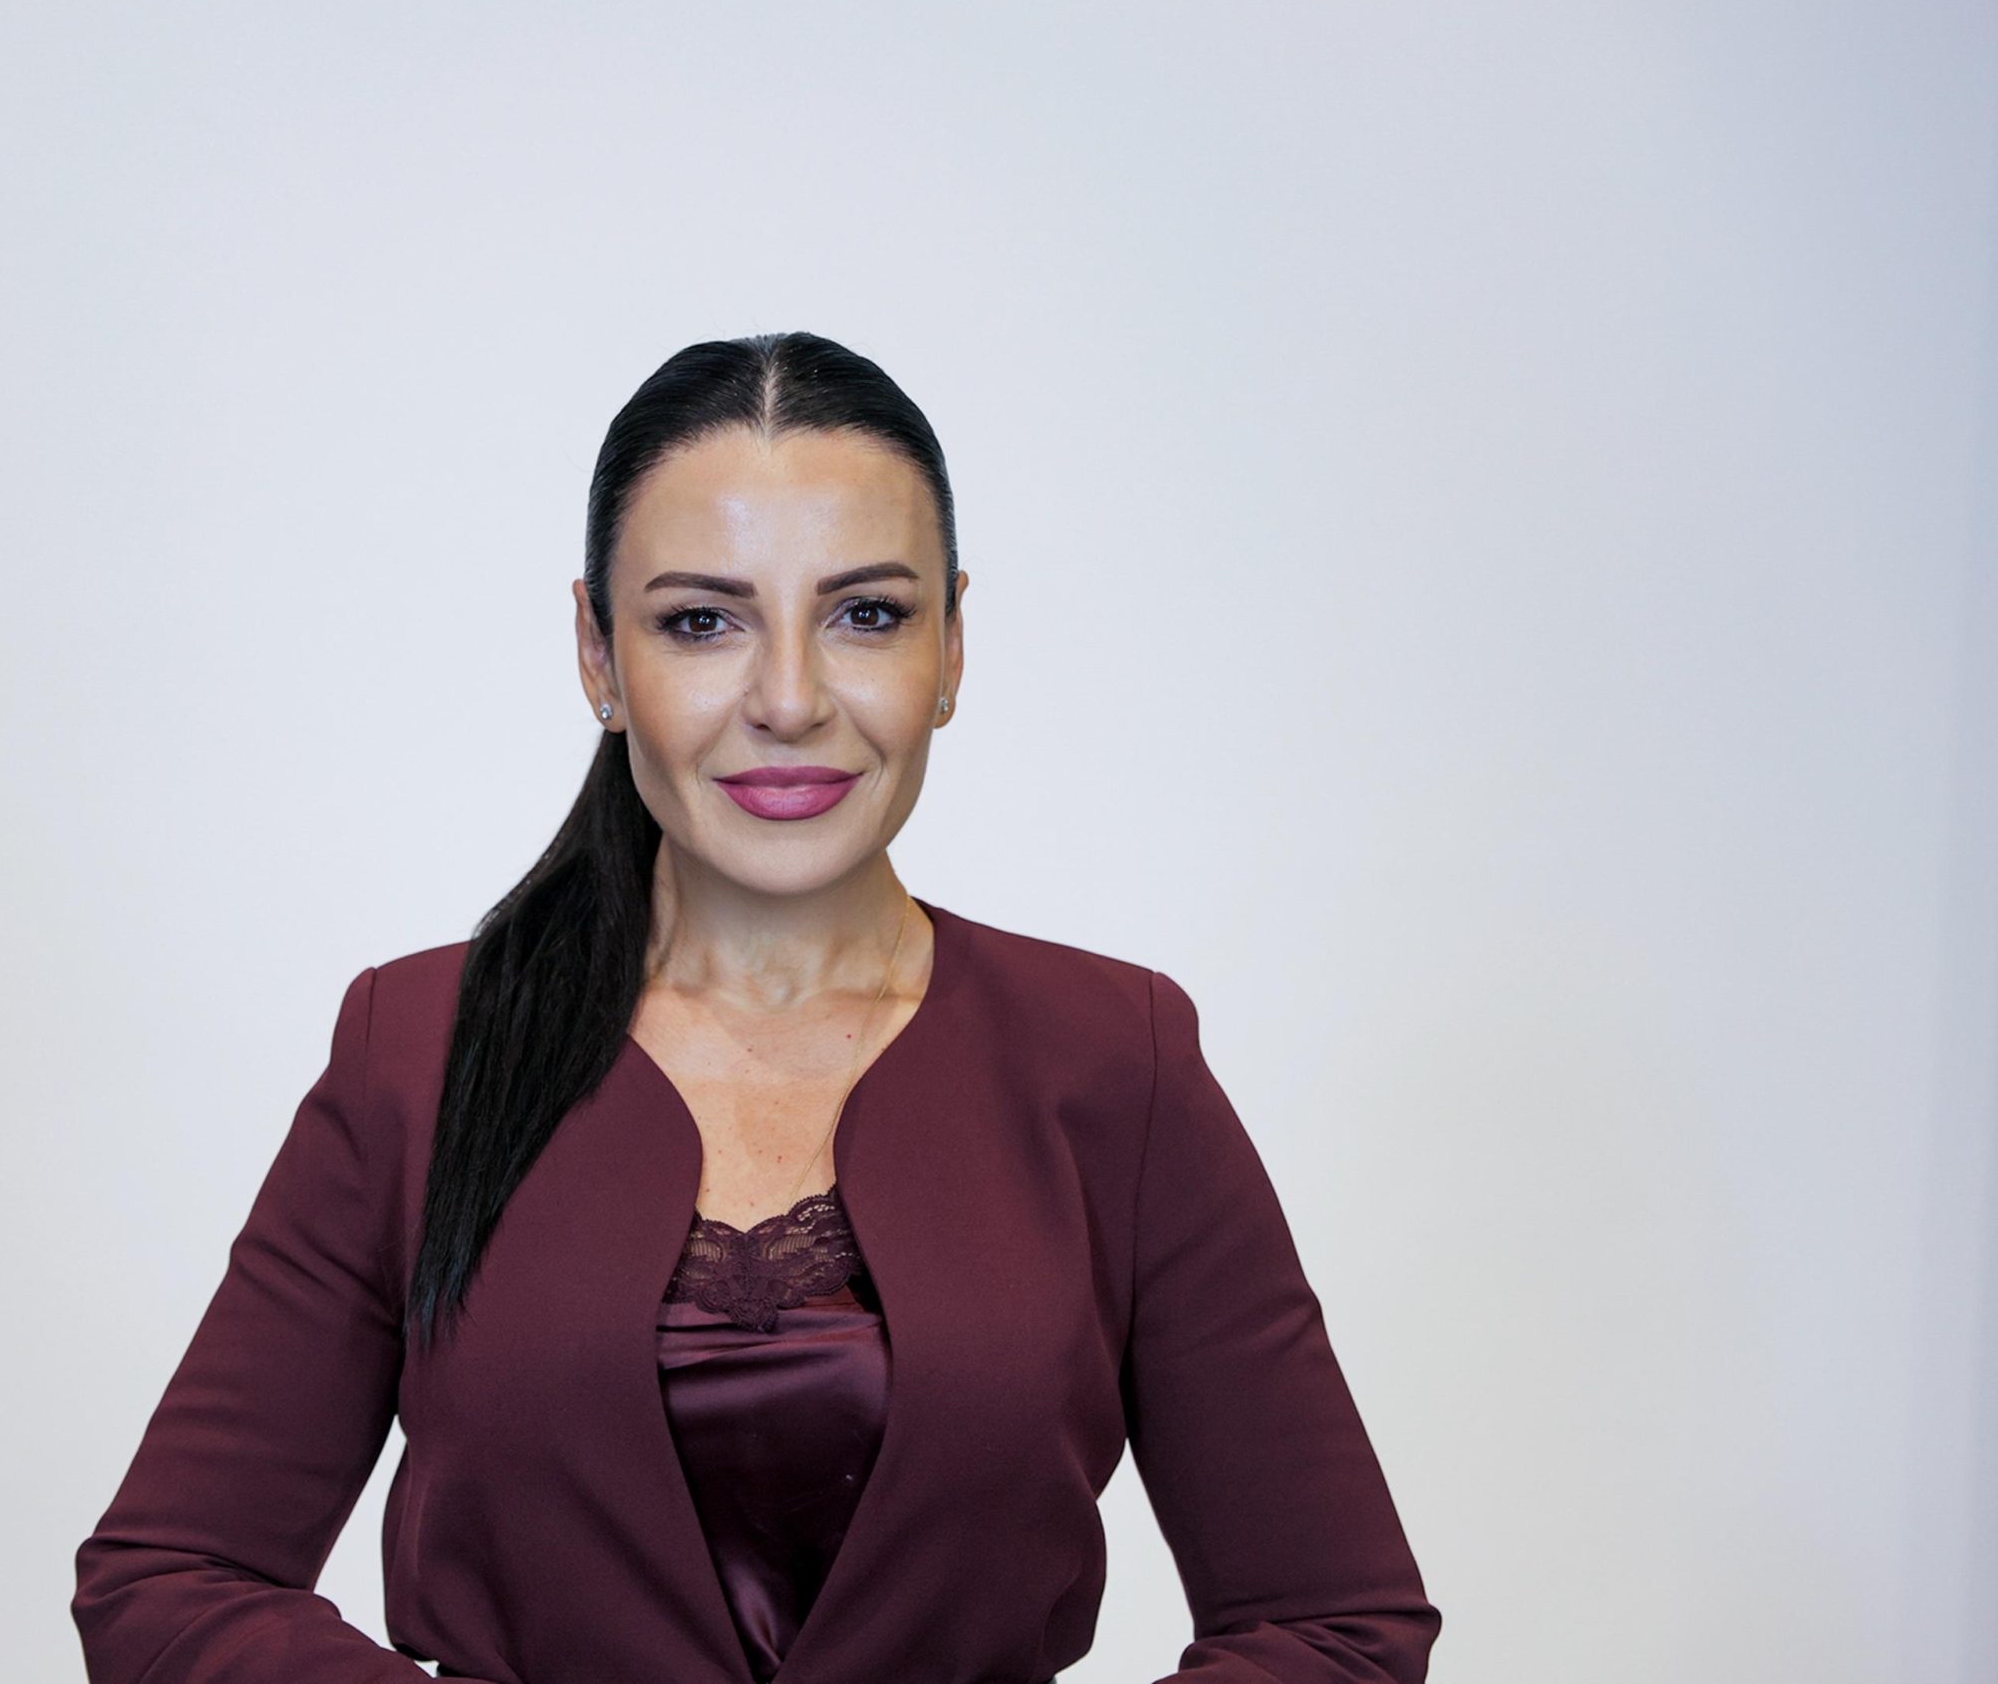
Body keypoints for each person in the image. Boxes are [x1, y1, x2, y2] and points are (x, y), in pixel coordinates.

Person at [71, 333, 1439, 1684]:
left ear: (953, 647)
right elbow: (169, 1586)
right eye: (701, 622)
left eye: (867, 615)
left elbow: (1336, 1631)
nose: (788, 701)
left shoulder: (1114, 1060)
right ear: (599, 656)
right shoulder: (417, 1050)